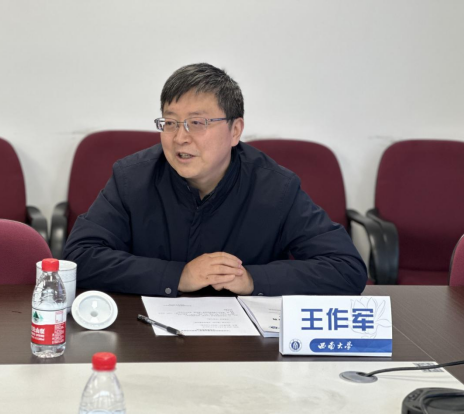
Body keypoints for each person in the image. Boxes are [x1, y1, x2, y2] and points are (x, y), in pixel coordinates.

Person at [64, 63, 367, 297]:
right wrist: (178, 276)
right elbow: (79, 258)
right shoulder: (133, 177)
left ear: (235, 131)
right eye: (170, 122)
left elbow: (347, 268)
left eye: (197, 123)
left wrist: (253, 280)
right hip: (147, 336)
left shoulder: (275, 187)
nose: (180, 138)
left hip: (247, 345)